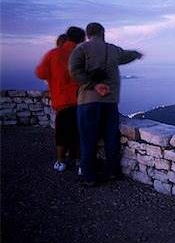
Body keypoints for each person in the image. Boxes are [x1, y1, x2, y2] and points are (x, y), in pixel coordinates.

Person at [69, 22, 143, 186]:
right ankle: (111, 172)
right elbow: (127, 55)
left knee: (88, 140)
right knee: (111, 138)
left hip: (88, 101)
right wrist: (137, 54)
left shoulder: (81, 49)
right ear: (103, 33)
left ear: (88, 34)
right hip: (110, 101)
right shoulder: (113, 49)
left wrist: (92, 85)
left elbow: (74, 71)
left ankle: (89, 177)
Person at [36, 28, 85, 172]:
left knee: (62, 135)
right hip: (81, 102)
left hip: (63, 103)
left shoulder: (53, 54)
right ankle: (78, 160)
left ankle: (60, 161)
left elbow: (40, 73)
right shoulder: (82, 55)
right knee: (78, 133)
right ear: (81, 39)